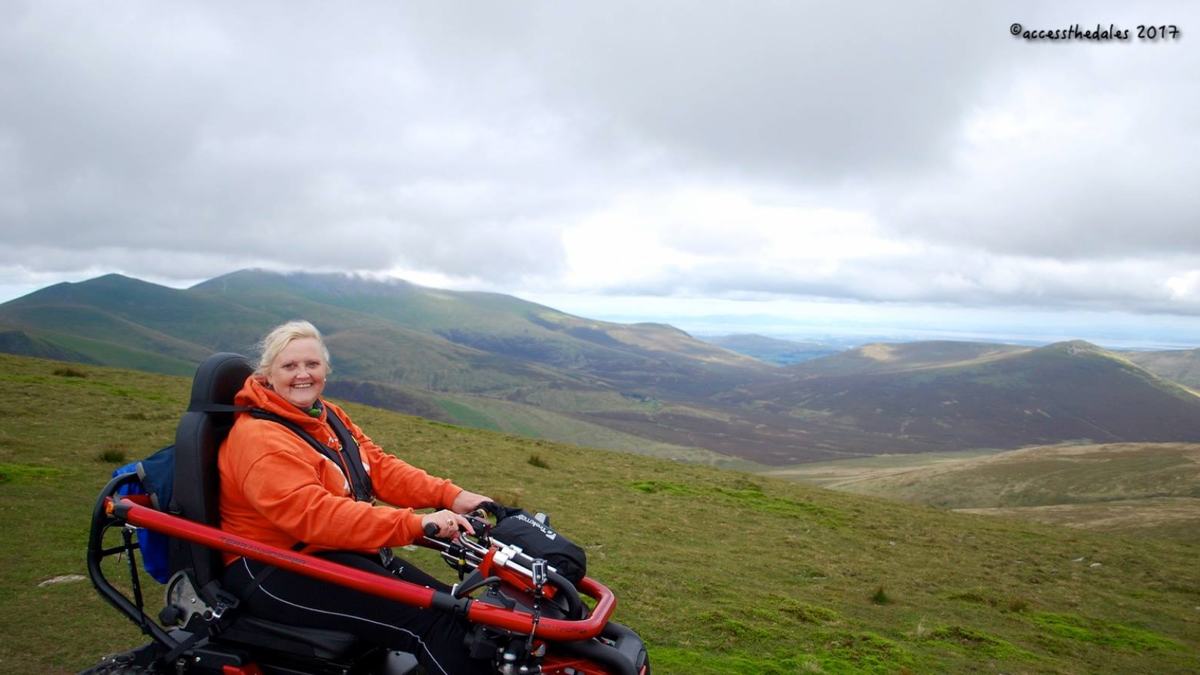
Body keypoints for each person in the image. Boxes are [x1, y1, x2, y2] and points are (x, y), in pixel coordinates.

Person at [218, 320, 493, 674]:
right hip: (272, 567)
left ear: (325, 371)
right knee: (434, 624)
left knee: (455, 609)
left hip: (327, 551)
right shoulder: (261, 440)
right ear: (268, 374)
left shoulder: (324, 415)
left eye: (312, 365)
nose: (303, 374)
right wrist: (416, 524)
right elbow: (315, 516)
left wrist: (452, 496)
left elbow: (375, 466)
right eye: (289, 366)